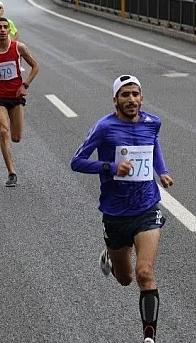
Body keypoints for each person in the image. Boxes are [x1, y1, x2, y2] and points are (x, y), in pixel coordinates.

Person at [70, 74, 174, 343]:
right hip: (115, 212)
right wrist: (112, 167)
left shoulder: (153, 123)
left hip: (146, 207)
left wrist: (161, 171)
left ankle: (149, 337)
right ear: (115, 99)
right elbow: (77, 162)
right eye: (125, 95)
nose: (131, 100)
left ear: (142, 98)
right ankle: (110, 256)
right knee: (126, 278)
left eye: (135, 94)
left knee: (144, 273)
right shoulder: (104, 127)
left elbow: (154, 146)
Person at [0, 17, 40, 187]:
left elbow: (35, 66)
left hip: (16, 96)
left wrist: (25, 84)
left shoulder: (18, 47)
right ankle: (11, 172)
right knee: (3, 130)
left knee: (16, 137)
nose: (3, 30)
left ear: (9, 30)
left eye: (6, 27)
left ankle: (11, 165)